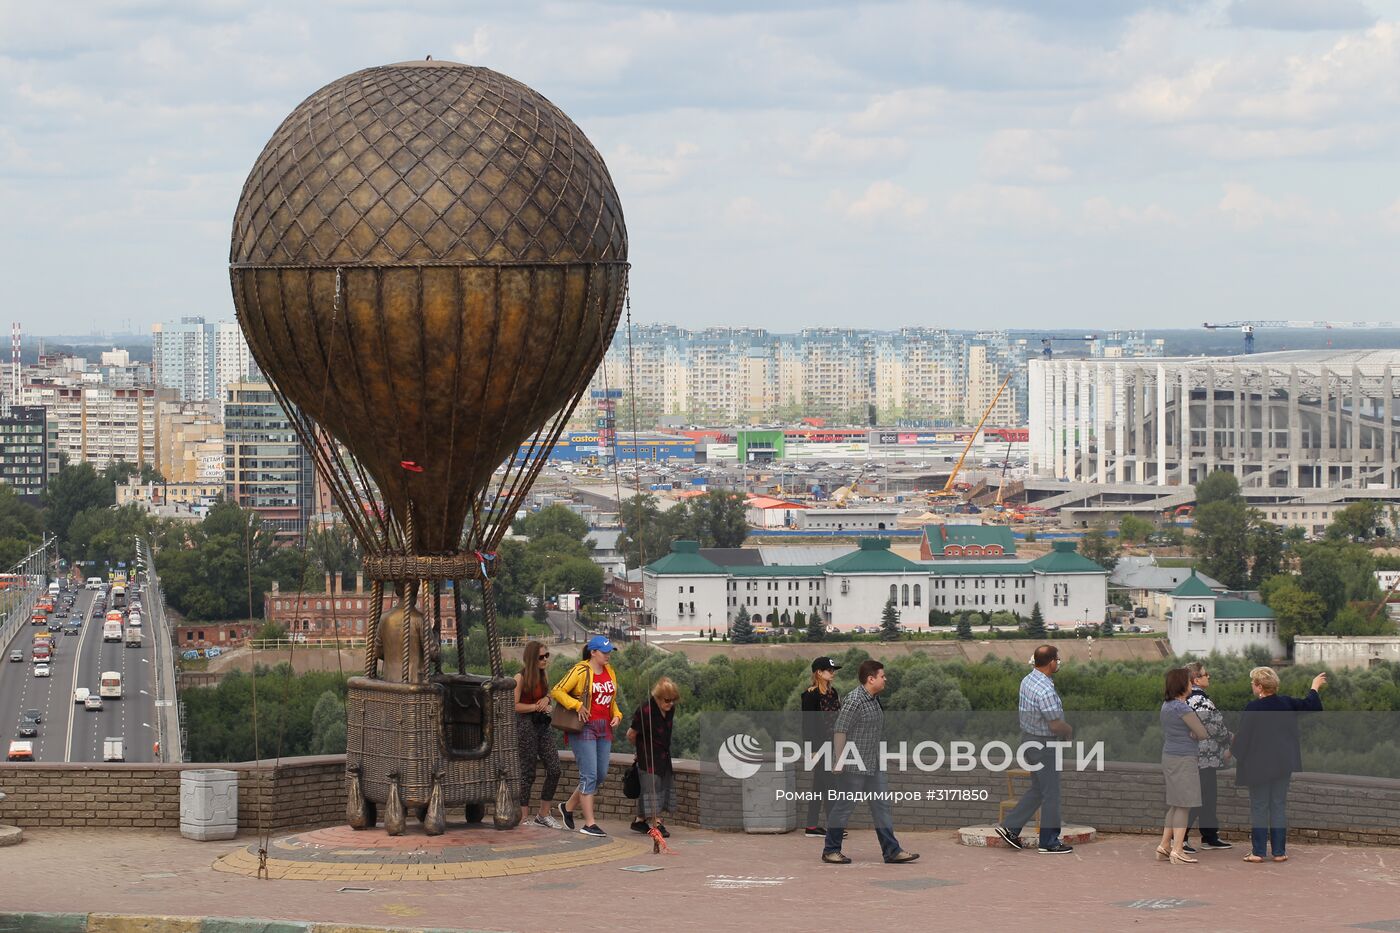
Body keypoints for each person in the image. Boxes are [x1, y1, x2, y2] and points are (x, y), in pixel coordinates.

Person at [821, 660, 918, 865]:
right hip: (852, 764)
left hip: (873, 764)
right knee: (844, 807)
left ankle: (892, 851)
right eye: (882, 676)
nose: (885, 679)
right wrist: (839, 761)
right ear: (870, 679)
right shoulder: (854, 700)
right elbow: (840, 730)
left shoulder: (874, 699)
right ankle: (830, 850)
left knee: (881, 806)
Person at [1232, 666, 1327, 863]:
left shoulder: (1253, 708)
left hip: (1258, 766)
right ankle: (1279, 852)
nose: (1252, 685)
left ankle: (1258, 852)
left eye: (1253, 683)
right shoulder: (1286, 703)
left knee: (1259, 807)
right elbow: (1312, 705)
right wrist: (1314, 687)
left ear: (1259, 686)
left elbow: (1243, 740)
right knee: (1278, 806)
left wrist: (1233, 752)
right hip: (1283, 764)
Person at [995, 644, 1074, 854]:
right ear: (1051, 663)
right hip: (1044, 746)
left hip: (1029, 741)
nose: (1058, 662)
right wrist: (1068, 730)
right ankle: (1049, 841)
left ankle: (1010, 827)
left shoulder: (1027, 680)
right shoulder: (1045, 689)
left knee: (1039, 790)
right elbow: (1055, 724)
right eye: (1057, 659)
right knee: (1052, 794)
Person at [550, 635, 623, 837]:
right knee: (589, 775)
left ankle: (568, 807)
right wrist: (577, 705)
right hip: (584, 728)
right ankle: (589, 823)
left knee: (600, 775)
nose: (608, 655)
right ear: (593, 652)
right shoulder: (581, 670)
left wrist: (617, 715)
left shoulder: (610, 671)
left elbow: (610, 700)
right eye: (605, 652)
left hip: (604, 728)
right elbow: (557, 691)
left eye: (610, 651)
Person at [1156, 667, 1210, 864]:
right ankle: (1178, 849)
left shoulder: (1166, 706)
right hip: (1184, 758)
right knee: (1184, 805)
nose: (1191, 685)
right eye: (1189, 682)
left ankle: (1164, 845)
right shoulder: (1182, 708)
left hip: (1169, 756)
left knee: (1174, 804)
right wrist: (1195, 733)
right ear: (1182, 684)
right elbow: (1202, 732)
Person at [1183, 661, 1233, 851]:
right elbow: (1214, 727)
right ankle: (1180, 838)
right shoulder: (1198, 700)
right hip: (1201, 759)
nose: (1208, 676)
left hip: (1205, 758)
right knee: (1199, 798)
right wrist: (1230, 738)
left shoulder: (1191, 698)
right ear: (1196, 679)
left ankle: (1209, 836)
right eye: (1206, 674)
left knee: (1208, 798)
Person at [514, 640, 562, 828]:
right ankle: (523, 816)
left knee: (555, 768)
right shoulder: (520, 677)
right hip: (525, 725)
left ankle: (543, 813)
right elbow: (514, 705)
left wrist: (546, 698)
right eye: (541, 657)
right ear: (532, 659)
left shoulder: (544, 674)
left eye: (547, 656)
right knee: (527, 772)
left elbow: (549, 693)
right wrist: (535, 706)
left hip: (542, 723)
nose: (545, 660)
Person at [627, 676, 680, 837]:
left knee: (660, 787)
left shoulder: (670, 709)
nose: (670, 703)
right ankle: (657, 824)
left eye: (673, 700)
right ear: (657, 697)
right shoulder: (645, 710)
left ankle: (639, 821)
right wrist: (640, 750)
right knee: (652, 788)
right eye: (667, 700)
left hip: (663, 756)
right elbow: (631, 734)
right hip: (648, 757)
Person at [801, 656, 843, 837]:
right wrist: (812, 750)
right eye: (829, 670)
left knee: (819, 786)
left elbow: (838, 718)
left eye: (833, 670)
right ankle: (835, 828)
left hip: (832, 744)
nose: (832, 673)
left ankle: (811, 827)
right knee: (831, 786)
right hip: (819, 746)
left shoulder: (833, 693)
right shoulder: (810, 695)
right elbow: (808, 724)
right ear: (819, 672)